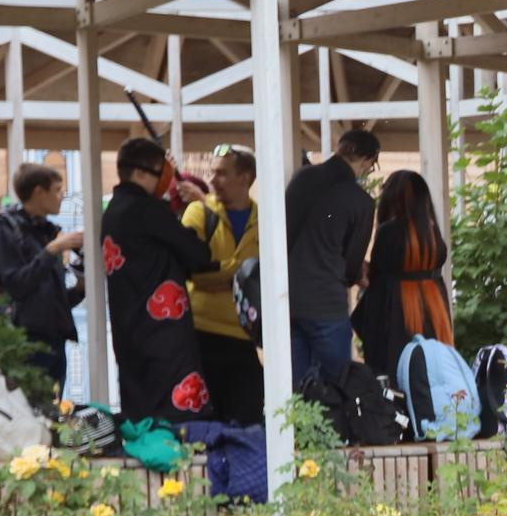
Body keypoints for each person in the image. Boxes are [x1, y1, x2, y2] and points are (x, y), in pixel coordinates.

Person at [99, 136, 216, 424]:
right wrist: (200, 208)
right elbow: (198, 254)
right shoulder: (148, 209)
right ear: (140, 173)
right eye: (159, 174)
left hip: (129, 329)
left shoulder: (113, 210)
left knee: (141, 412)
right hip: (164, 333)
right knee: (176, 416)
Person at [284, 128, 379, 386]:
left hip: (286, 299)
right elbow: (351, 266)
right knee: (337, 387)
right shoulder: (361, 202)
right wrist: (357, 275)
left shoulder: (301, 178)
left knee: (297, 390)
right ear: (368, 161)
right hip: (325, 304)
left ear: (340, 149)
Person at [0, 161, 83, 389]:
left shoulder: (45, 231)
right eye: (57, 190)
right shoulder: (3, 229)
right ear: (38, 191)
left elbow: (50, 300)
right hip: (23, 343)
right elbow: (17, 285)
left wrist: (81, 286)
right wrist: (52, 250)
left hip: (54, 342)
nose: (62, 196)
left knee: (53, 419)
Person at [179, 147, 262, 424]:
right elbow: (194, 271)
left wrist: (221, 272)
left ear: (245, 178)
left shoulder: (265, 219)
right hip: (202, 332)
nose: (212, 179)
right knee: (206, 418)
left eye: (221, 173)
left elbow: (267, 276)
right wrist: (241, 272)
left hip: (245, 336)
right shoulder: (199, 212)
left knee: (249, 415)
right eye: (212, 172)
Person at [351, 170, 455, 373]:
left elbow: (380, 281)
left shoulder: (389, 233)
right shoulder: (432, 234)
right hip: (435, 312)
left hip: (396, 316)